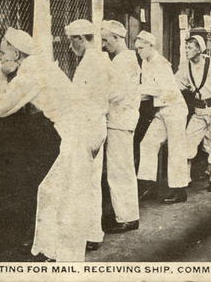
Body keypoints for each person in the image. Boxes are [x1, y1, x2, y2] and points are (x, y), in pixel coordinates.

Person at [0, 27, 105, 262]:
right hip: (87, 127)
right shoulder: (39, 64)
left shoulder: (30, 72)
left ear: (16, 54)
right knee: (51, 190)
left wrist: (1, 76)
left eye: (2, 52)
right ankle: (47, 250)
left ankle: (67, 261)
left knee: (70, 198)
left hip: (79, 132)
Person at [64, 19, 111, 251]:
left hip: (89, 126)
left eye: (72, 41)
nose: (70, 46)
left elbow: (81, 100)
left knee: (83, 183)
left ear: (81, 39)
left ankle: (86, 233)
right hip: (96, 125)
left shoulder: (90, 63)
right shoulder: (98, 60)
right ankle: (93, 233)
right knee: (92, 183)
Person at [135, 31, 190, 203]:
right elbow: (147, 89)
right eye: (137, 49)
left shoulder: (161, 63)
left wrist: (135, 91)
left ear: (151, 46)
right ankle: (147, 185)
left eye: (141, 48)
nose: (139, 52)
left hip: (175, 109)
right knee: (148, 143)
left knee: (176, 149)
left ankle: (179, 190)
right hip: (161, 109)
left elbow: (159, 89)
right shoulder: (146, 62)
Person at [100, 20, 141, 233]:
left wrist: (94, 95)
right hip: (123, 119)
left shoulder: (122, 61)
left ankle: (126, 217)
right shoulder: (128, 58)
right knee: (123, 168)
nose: (104, 45)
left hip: (119, 120)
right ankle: (126, 214)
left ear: (117, 38)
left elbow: (115, 93)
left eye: (106, 41)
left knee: (119, 170)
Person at [176, 35, 211, 192]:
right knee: (187, 141)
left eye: (190, 48)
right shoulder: (185, 66)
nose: (187, 50)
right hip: (199, 110)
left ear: (199, 49)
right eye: (186, 47)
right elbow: (176, 82)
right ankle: (185, 178)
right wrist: (187, 88)